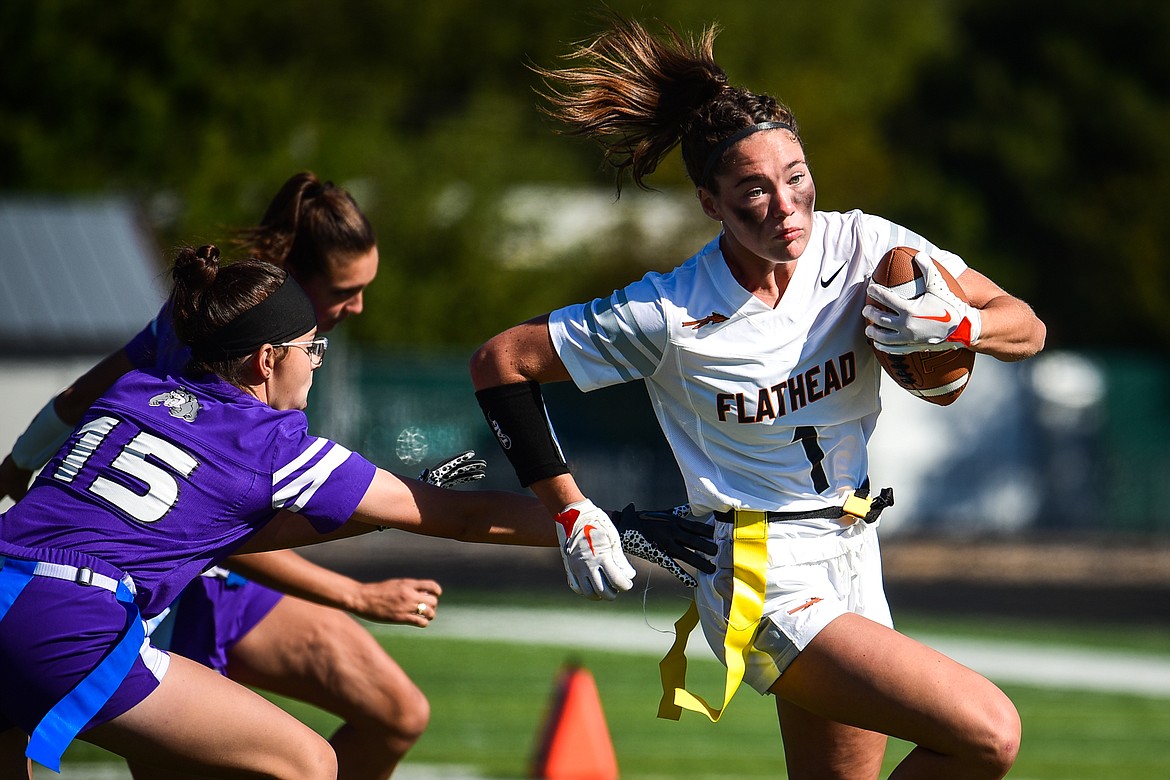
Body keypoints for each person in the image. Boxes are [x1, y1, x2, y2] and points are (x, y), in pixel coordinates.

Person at [469, 13, 1046, 780]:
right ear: (709, 202)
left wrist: (963, 322)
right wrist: (572, 510)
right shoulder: (669, 312)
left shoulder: (865, 245)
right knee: (988, 734)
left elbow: (1028, 326)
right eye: (753, 190)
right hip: (757, 570)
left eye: (796, 176)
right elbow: (501, 361)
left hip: (850, 544)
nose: (786, 205)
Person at [0, 245, 563, 778]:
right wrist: (598, 523)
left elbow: (220, 532)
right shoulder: (271, 442)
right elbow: (460, 517)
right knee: (310, 764)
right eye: (311, 349)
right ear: (267, 359)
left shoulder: (134, 390)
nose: (317, 363)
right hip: (69, 617)